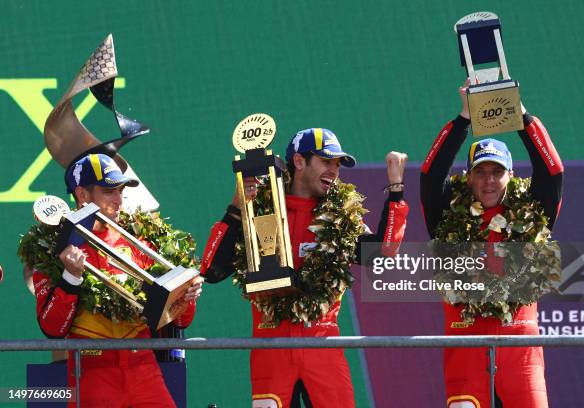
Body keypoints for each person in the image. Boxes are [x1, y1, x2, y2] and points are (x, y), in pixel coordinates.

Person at [200, 128, 409, 408]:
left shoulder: (340, 219)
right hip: (270, 351)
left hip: (323, 347)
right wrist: (236, 207)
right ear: (299, 162)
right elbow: (211, 271)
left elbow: (383, 251)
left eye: (338, 164)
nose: (334, 171)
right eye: (326, 161)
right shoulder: (261, 210)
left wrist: (396, 190)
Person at [420, 82, 563, 408]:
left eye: (496, 172)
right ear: (468, 177)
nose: (488, 180)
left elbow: (552, 171)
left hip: (521, 354)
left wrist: (520, 114)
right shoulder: (446, 220)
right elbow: (431, 175)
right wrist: (463, 118)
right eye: (480, 171)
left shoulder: (532, 216)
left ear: (511, 175)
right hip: (465, 350)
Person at [31, 153, 203, 408]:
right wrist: (71, 278)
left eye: (121, 191)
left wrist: (186, 297)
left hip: (143, 368)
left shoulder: (140, 245)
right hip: (92, 371)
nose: (119, 200)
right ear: (82, 194)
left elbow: (180, 320)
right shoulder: (53, 252)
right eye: (109, 191)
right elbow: (52, 329)